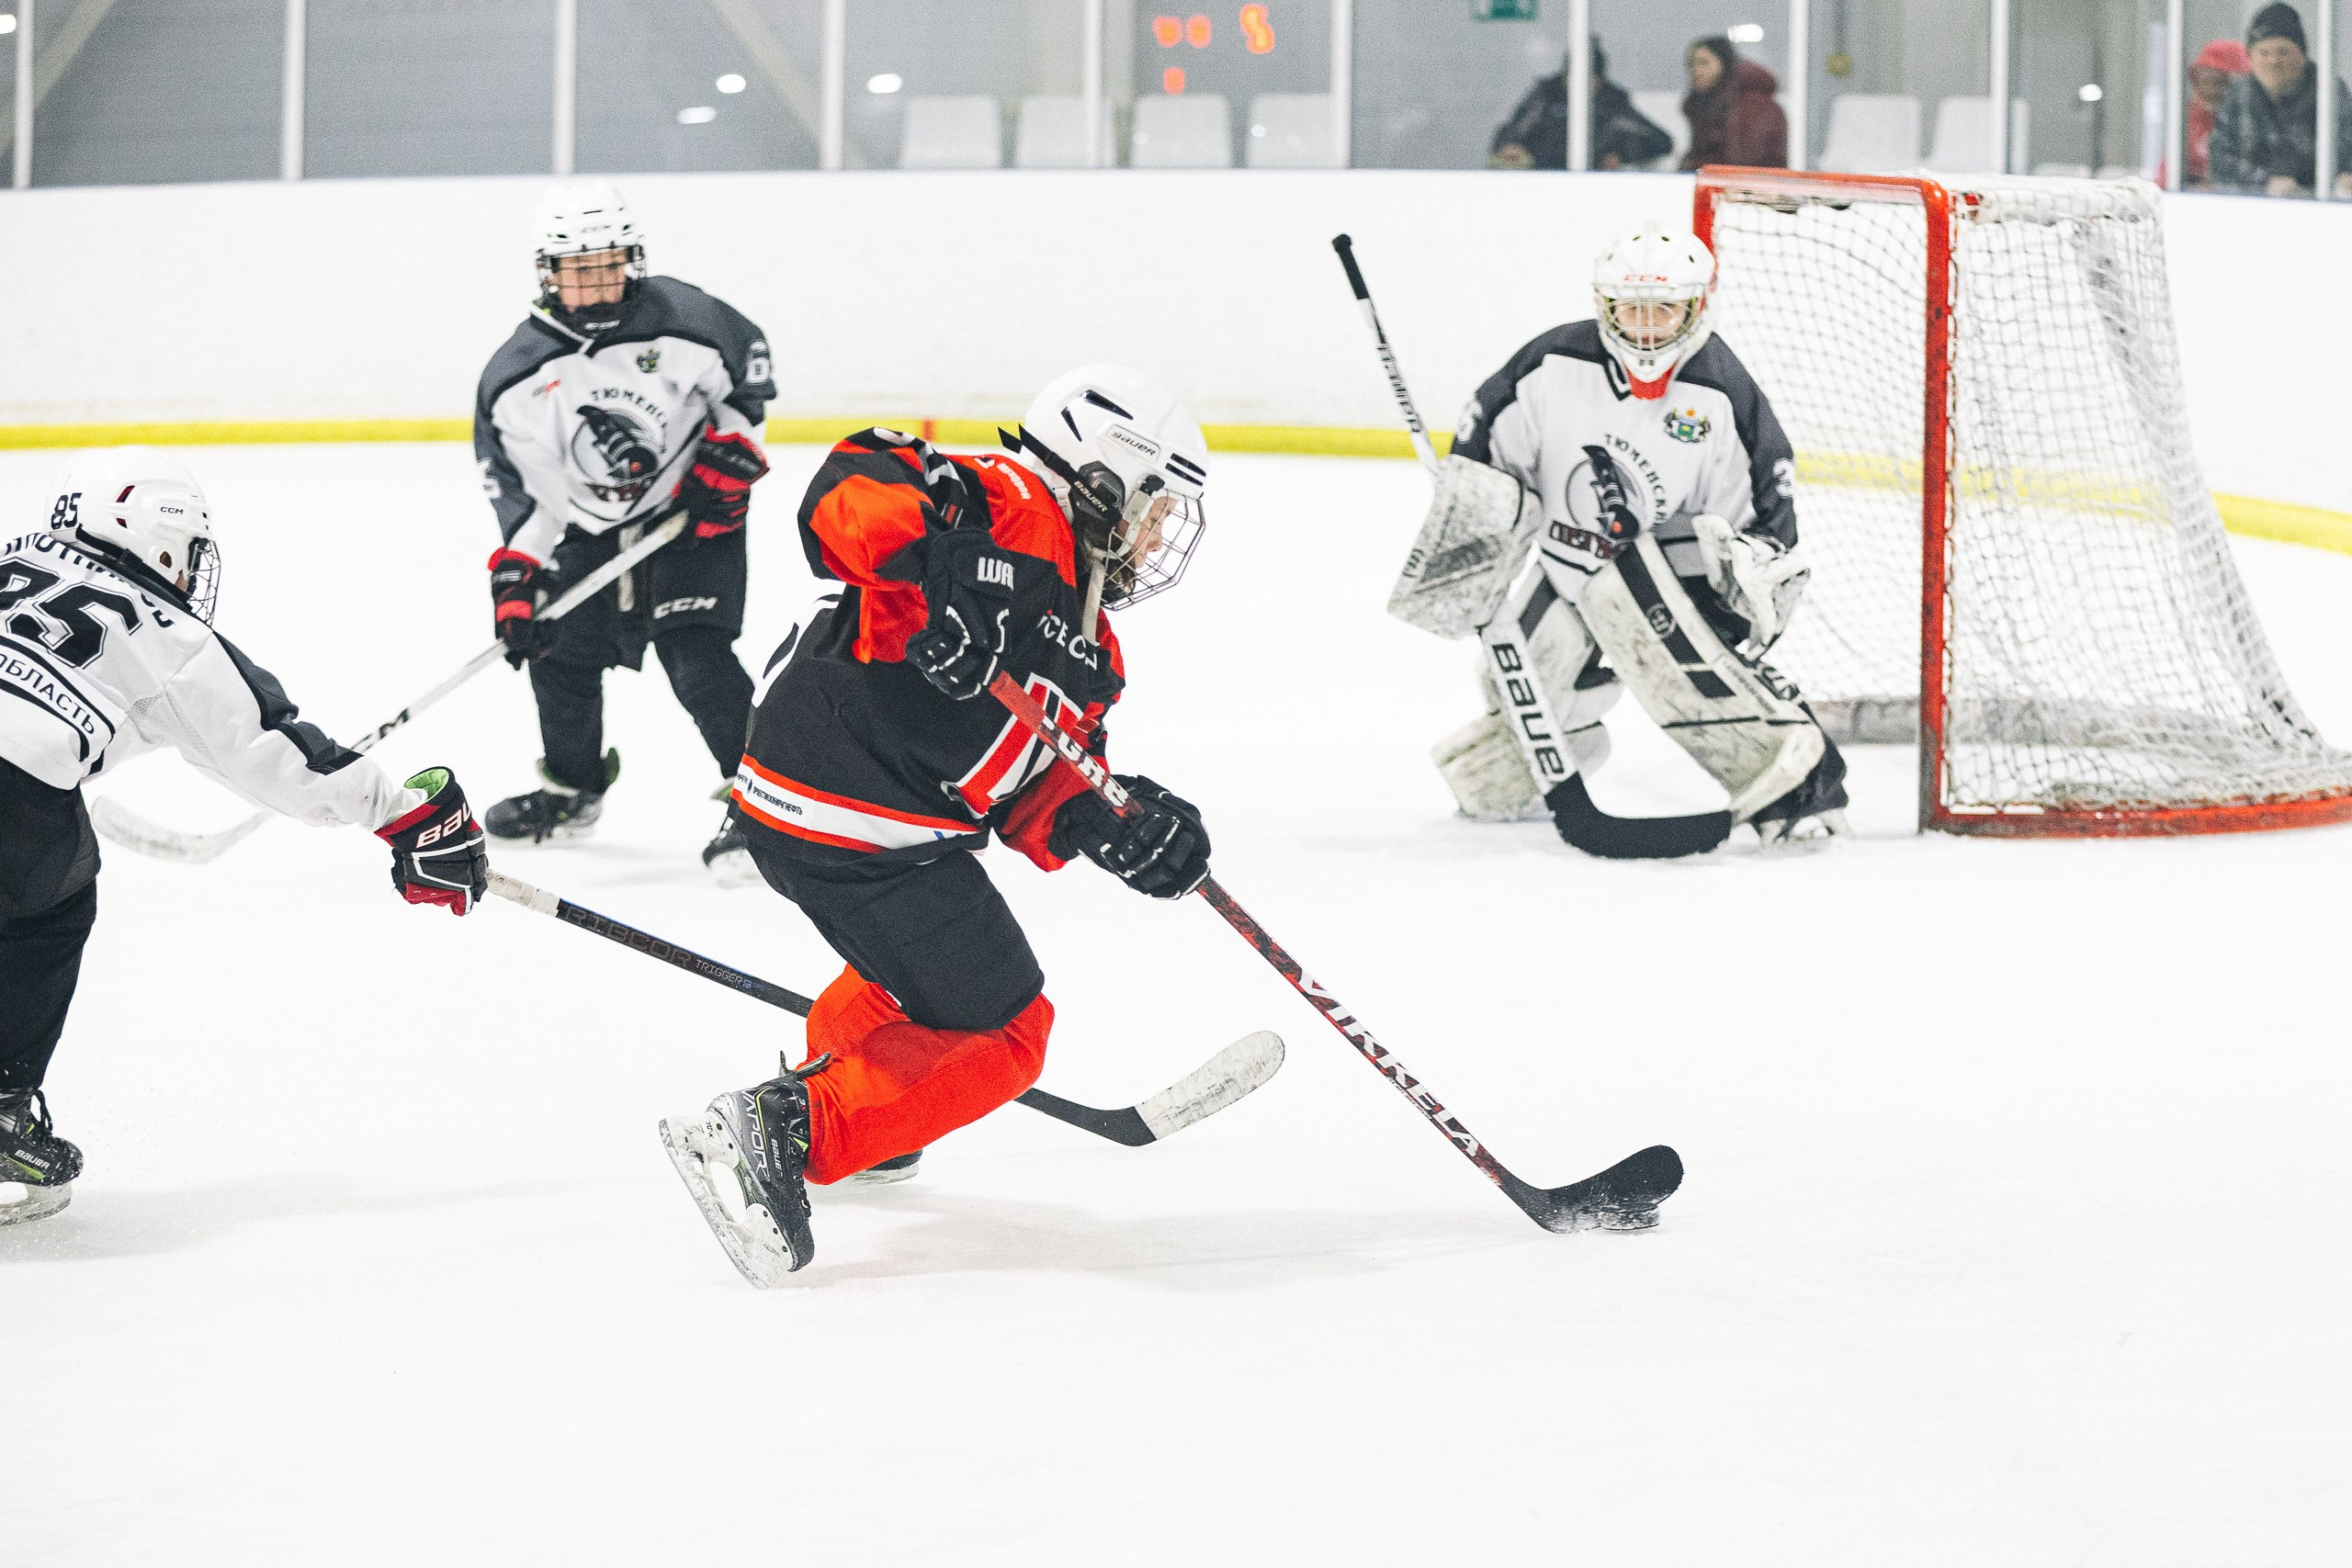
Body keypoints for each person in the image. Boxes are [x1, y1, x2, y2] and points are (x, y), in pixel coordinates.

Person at [658, 367, 1213, 1284]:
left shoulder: (1094, 646)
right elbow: (851, 485)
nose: (1156, 537)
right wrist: (944, 567)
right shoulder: (1008, 501)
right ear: (1107, 476)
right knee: (1009, 1031)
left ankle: (864, 1106)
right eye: (1155, 507)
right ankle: (787, 1130)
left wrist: (1121, 821)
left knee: (920, 981)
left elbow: (1035, 790)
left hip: (847, 812)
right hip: (850, 793)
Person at [0, 449, 490, 1225]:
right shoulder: (160, 627)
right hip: (14, 796)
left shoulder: (12, 556)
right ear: (160, 541)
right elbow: (273, 750)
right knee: (51, 901)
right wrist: (402, 814)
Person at [1421, 227, 1846, 858]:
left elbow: (1765, 512)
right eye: (1631, 310)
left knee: (1688, 673)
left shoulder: (1722, 392)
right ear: (1605, 306)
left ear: (1696, 307)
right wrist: (1474, 513)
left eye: (1664, 310)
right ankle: (1554, 757)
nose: (1646, 329)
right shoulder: (1553, 365)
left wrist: (1749, 577)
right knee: (1522, 676)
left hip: (1667, 572)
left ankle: (1800, 787)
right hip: (1569, 557)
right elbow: (1484, 454)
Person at [474, 180, 775, 880]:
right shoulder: (517, 378)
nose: (600, 280)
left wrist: (731, 456)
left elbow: (745, 387)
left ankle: (767, 800)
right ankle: (573, 790)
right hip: (590, 528)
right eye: (581, 269)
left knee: (697, 659)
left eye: (610, 263)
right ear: (549, 274)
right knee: (557, 651)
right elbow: (529, 497)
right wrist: (519, 577)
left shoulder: (687, 317)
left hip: (695, 514)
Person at [2206, 3, 2352, 197]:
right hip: (2249, 208)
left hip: (2318, 208)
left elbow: (2347, 149)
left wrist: (2344, 178)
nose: (2273, 61)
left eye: (2283, 52)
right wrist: (2266, 183)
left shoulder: (2329, 91)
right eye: (2264, 52)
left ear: (2303, 55)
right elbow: (2219, 161)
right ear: (2251, 57)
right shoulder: (2237, 94)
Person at [1490, 39, 1672, 171]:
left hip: (1594, 185)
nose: (1577, 84)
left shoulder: (1611, 104)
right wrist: (1510, 146)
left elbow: (1660, 141)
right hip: (1542, 180)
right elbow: (1510, 132)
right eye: (1572, 75)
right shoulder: (1547, 95)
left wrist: (1619, 155)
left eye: (1586, 78)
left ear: (1598, 81)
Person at [1678, 35, 1788, 170]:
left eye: (1704, 63)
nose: (1696, 71)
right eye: (1692, 64)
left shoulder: (1752, 105)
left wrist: (1697, 166)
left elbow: (1742, 163)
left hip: (1750, 187)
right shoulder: (1707, 106)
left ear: (1724, 63)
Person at [2185, 39, 2251, 186]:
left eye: (2219, 82)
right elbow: (2165, 180)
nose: (2207, 92)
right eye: (2201, 80)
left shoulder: (2252, 125)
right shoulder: (2186, 121)